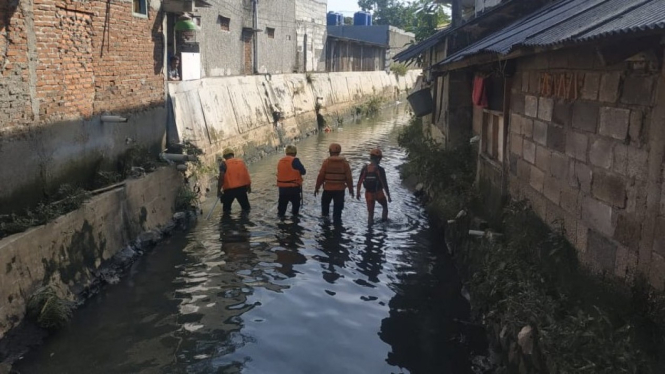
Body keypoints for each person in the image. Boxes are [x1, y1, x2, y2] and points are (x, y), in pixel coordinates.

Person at [315, 143, 353, 221]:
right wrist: (351, 190)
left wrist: (317, 188)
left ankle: (325, 229)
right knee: (337, 214)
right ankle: (337, 229)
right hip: (340, 191)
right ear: (339, 152)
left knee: (325, 213)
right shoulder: (345, 163)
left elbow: (320, 177)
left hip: (327, 190)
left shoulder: (326, 162)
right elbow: (349, 178)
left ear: (330, 152)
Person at [356, 148, 392, 224]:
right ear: (379, 159)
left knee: (370, 214)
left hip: (369, 194)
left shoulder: (365, 168)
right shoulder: (380, 169)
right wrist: (388, 196)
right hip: (379, 193)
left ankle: (369, 231)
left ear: (371, 158)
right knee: (385, 207)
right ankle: (384, 223)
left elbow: (359, 182)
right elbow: (384, 183)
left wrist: (358, 193)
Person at [277, 145, 306, 217]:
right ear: (295, 153)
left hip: (282, 189)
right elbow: (303, 172)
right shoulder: (295, 160)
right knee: (295, 210)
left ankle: (281, 224)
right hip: (293, 189)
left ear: (286, 152)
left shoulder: (280, 161)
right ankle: (295, 223)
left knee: (281, 210)